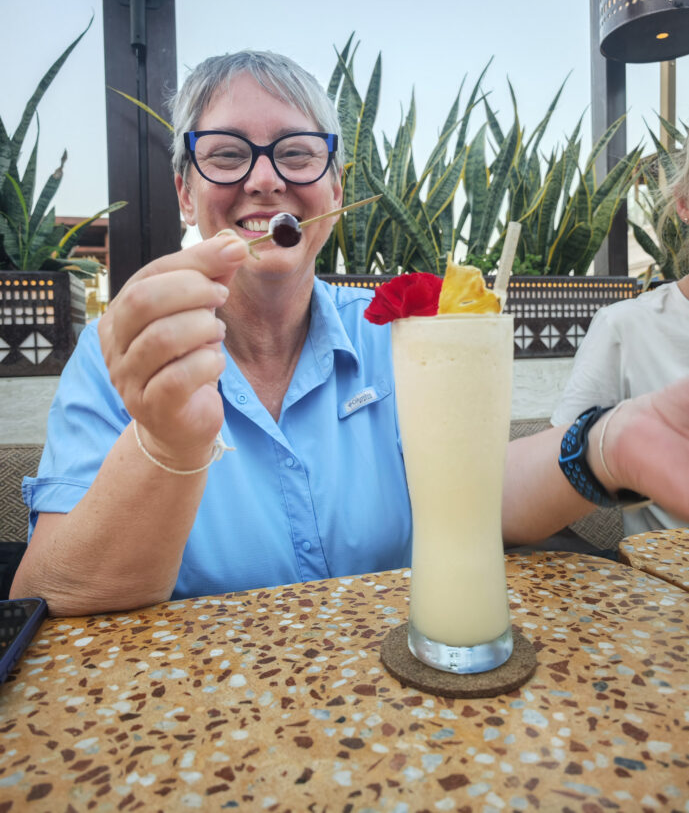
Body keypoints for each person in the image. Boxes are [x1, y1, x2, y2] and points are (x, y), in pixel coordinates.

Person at [10, 51, 689, 616]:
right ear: (186, 192)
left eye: (297, 154)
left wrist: (602, 444)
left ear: (334, 189)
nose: (265, 177)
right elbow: (51, 593)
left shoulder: (392, 336)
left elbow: (480, 484)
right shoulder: (121, 360)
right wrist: (165, 444)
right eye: (225, 154)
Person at [552, 139, 689, 536]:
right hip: (663, 590)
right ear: (683, 204)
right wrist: (624, 459)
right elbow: (552, 478)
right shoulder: (626, 327)